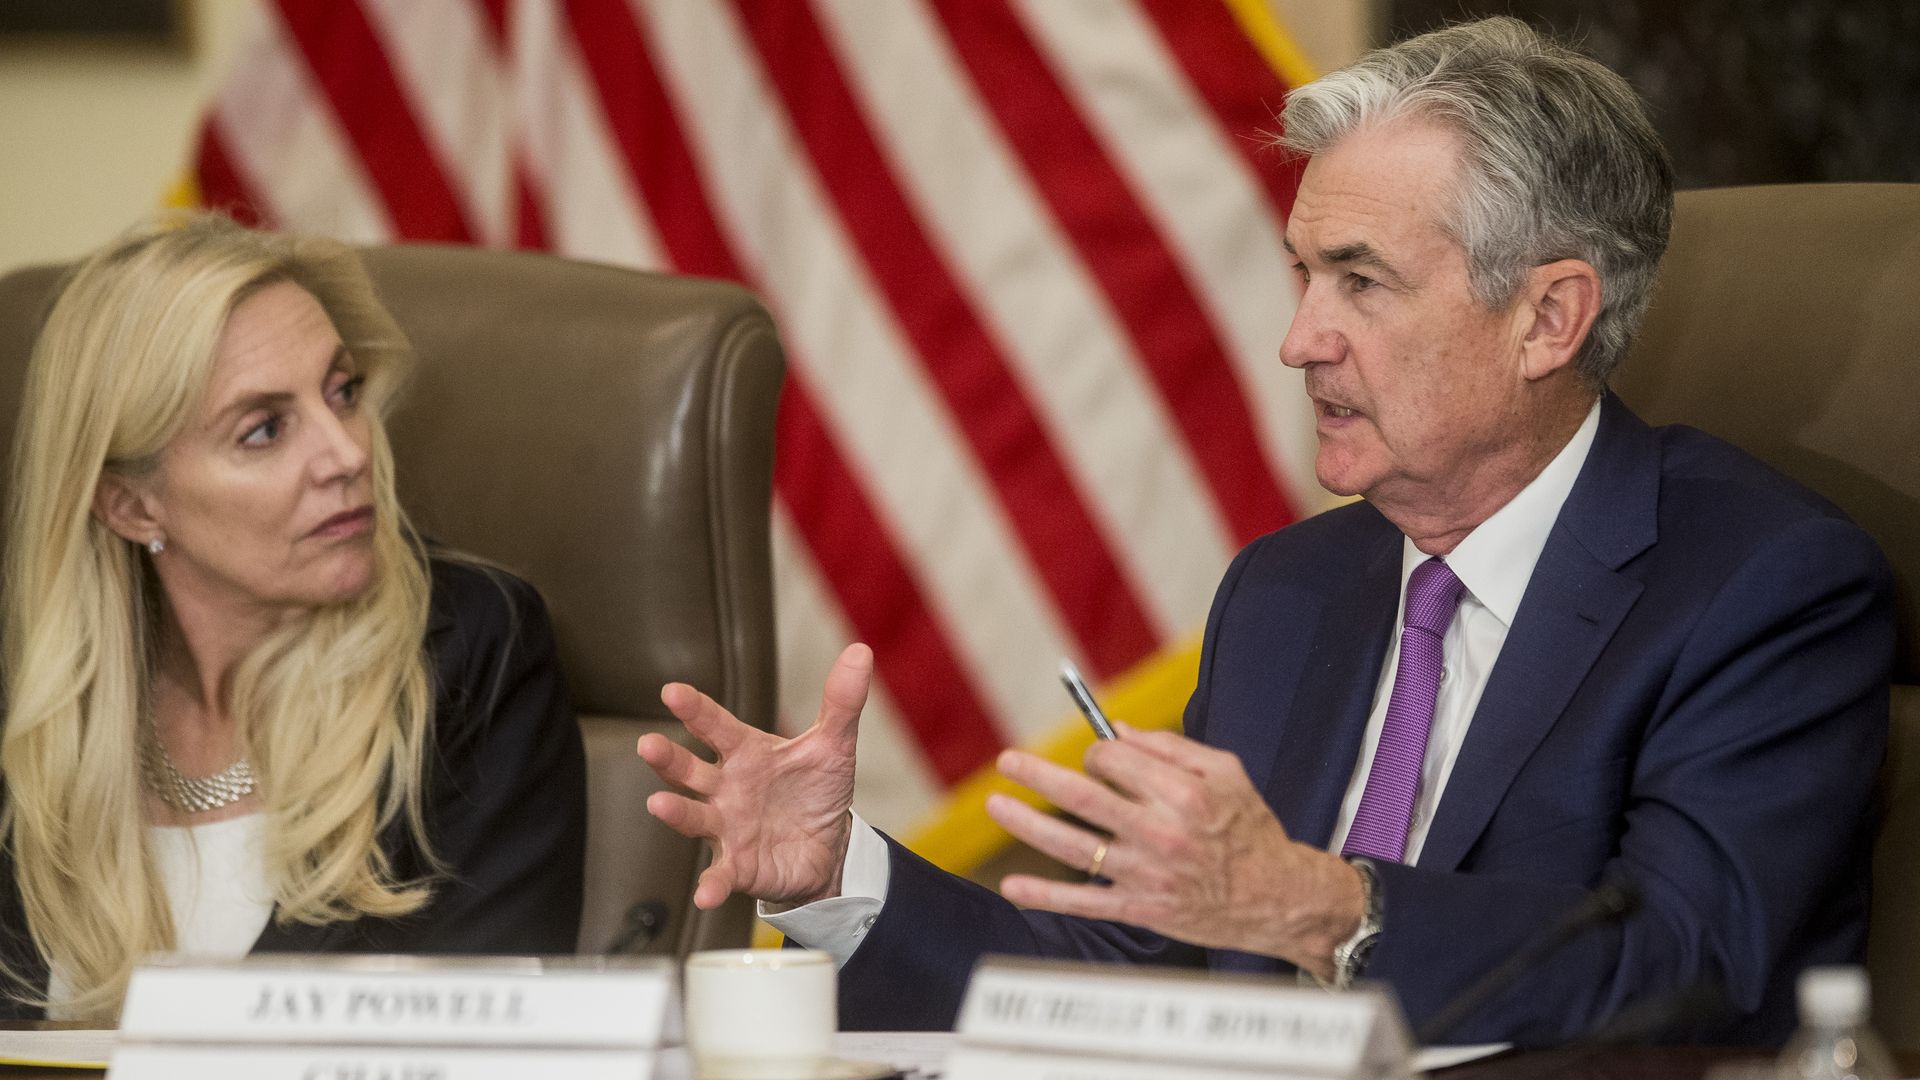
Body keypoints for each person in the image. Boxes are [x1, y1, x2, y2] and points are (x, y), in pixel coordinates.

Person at [638, 17, 1894, 1046]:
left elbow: (1701, 970)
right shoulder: (1293, 591)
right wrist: (836, 875)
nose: (1300, 339)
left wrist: (1323, 908)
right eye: (1302, 276)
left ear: (1549, 319)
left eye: (1363, 281)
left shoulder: (1758, 585)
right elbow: (1128, 980)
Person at [0, 215, 587, 1020]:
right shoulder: (32, 713)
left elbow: (478, 1052)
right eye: (265, 429)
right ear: (130, 506)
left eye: (342, 393)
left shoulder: (469, 661)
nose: (346, 453)